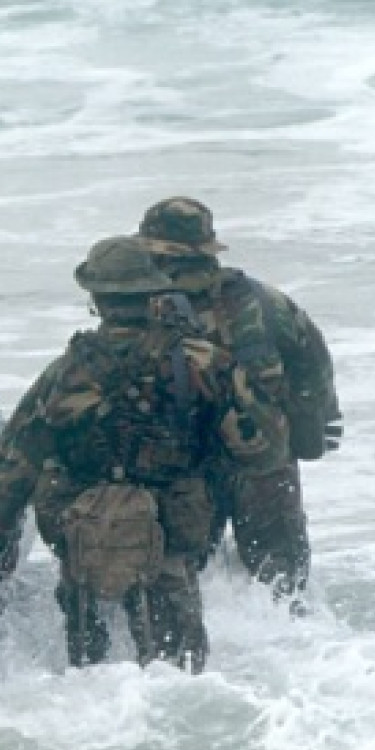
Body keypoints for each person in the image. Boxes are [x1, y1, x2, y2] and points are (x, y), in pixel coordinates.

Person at [0, 236, 285, 671]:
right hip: (171, 534)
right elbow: (263, 446)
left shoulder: (68, 370)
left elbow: (14, 463)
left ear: (97, 298)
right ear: (153, 293)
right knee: (180, 673)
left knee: (90, 672)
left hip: (86, 536)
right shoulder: (205, 361)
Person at [135, 197, 341, 598]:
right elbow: (313, 367)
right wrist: (311, 429)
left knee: (182, 585)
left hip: (186, 471)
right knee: (284, 589)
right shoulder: (267, 303)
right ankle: (312, 655)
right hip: (266, 462)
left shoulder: (147, 312)